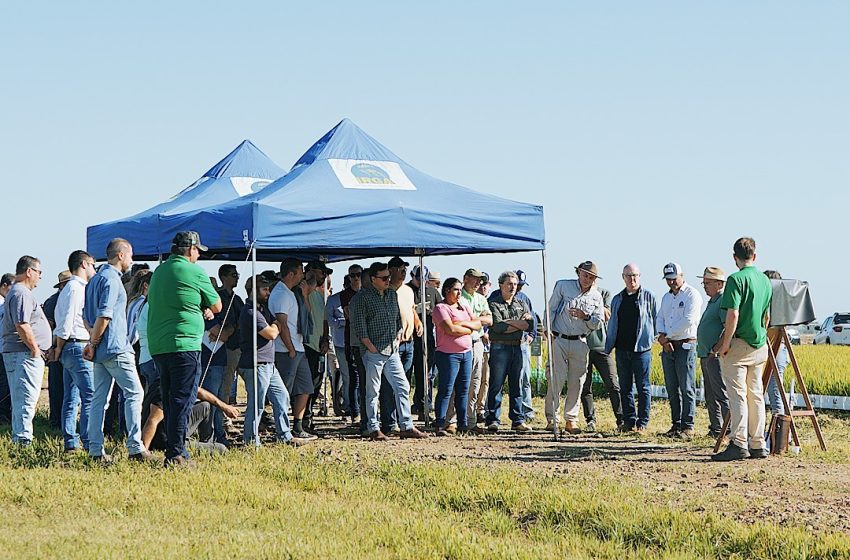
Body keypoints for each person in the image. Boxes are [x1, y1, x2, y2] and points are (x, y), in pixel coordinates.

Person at [147, 232, 222, 467]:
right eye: (198, 250)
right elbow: (217, 305)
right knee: (183, 400)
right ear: (190, 249)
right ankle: (177, 454)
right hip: (185, 344)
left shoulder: (159, 271)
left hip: (159, 345)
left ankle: (173, 447)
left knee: (169, 399)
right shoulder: (195, 271)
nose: (199, 255)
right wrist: (203, 307)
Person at [83, 239, 153, 462]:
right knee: (135, 393)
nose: (132, 259)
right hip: (115, 347)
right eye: (130, 254)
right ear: (121, 255)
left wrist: (93, 343)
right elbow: (105, 315)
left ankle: (95, 449)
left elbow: (87, 317)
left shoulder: (94, 280)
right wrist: (94, 343)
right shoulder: (112, 281)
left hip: (101, 349)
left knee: (99, 399)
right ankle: (135, 447)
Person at [350, 262, 427, 441]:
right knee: (372, 391)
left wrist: (398, 336)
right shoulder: (362, 298)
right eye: (384, 278)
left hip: (392, 351)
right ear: (373, 279)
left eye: (388, 277)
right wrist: (371, 347)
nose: (388, 280)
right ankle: (373, 427)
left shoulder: (392, 294)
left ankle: (406, 425)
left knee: (403, 386)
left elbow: (397, 320)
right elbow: (360, 327)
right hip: (374, 352)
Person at [711, 238, 772, 462]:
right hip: (759, 343)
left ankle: (739, 443)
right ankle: (758, 443)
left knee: (737, 395)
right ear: (754, 256)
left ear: (734, 257)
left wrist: (725, 343)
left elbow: (732, 314)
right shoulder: (765, 280)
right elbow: (767, 316)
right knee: (755, 394)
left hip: (738, 343)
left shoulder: (735, 280)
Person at [239, 275, 315, 446]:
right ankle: (251, 440)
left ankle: (285, 435)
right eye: (264, 289)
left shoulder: (261, 309)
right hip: (256, 364)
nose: (268, 292)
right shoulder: (251, 312)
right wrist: (275, 326)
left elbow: (274, 324)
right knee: (256, 404)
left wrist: (274, 325)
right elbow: (272, 333)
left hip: (268, 363)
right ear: (253, 291)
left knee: (282, 396)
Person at [545, 261, 605, 434]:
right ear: (578, 273)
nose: (588, 279)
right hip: (560, 338)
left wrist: (585, 317)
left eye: (591, 277)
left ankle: (571, 420)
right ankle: (552, 419)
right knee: (555, 379)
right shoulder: (563, 286)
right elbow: (551, 308)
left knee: (577, 382)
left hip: (581, 341)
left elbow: (598, 322)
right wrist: (547, 330)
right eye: (585, 275)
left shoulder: (596, 296)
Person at [0, 256, 52, 445]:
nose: (39, 277)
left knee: (22, 398)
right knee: (26, 400)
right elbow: (22, 324)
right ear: (29, 271)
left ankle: (20, 438)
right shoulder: (21, 293)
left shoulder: (17, 292)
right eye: (39, 272)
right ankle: (23, 442)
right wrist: (35, 348)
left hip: (19, 353)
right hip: (24, 353)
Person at [51, 250, 96, 452]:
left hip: (70, 346)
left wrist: (60, 347)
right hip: (76, 344)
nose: (94, 269)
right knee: (90, 397)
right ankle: (87, 442)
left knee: (71, 397)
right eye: (93, 265)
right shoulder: (77, 289)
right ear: (84, 264)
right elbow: (67, 321)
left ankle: (71, 441)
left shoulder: (68, 289)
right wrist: (59, 347)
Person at [605, 264, 657, 433]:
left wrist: (651, 339)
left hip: (641, 349)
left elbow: (656, 321)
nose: (632, 279)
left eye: (634, 275)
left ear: (640, 276)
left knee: (643, 387)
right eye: (628, 276)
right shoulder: (617, 299)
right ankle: (628, 421)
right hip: (621, 349)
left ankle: (642, 422)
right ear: (623, 277)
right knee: (625, 386)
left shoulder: (648, 297)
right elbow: (613, 323)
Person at [656, 262, 704, 440]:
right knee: (671, 386)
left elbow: (689, 320)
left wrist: (666, 336)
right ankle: (676, 424)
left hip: (685, 344)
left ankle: (688, 425)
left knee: (686, 386)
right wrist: (662, 337)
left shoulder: (692, 295)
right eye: (668, 279)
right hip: (668, 344)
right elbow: (660, 317)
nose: (671, 283)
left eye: (674, 279)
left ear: (682, 275)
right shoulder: (667, 298)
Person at [269, 258, 314, 439]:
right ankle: (280, 428)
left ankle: (297, 425)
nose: (303, 275)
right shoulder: (280, 294)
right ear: (291, 274)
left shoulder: (291, 292)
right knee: (283, 391)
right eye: (300, 271)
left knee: (305, 387)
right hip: (287, 350)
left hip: (298, 347)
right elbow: (282, 323)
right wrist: (290, 348)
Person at [485, 271, 534, 433]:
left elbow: (530, 325)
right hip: (500, 347)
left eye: (515, 284)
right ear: (501, 285)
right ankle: (493, 419)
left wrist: (511, 324)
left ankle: (517, 420)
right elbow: (498, 327)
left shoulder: (521, 303)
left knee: (517, 385)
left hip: (517, 347)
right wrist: (520, 323)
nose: (513, 287)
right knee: (496, 384)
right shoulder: (493, 303)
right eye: (509, 284)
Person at [432, 277, 480, 436]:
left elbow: (477, 324)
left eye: (460, 290)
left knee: (463, 390)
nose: (459, 293)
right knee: (446, 389)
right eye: (456, 289)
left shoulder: (464, 306)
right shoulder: (440, 308)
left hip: (466, 353)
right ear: (447, 290)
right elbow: (449, 329)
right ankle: (440, 423)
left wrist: (462, 326)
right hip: (447, 354)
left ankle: (463, 424)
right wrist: (468, 328)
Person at [446, 268, 492, 433]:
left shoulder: (481, 298)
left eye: (480, 279)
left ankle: (470, 420)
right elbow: (455, 322)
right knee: (456, 382)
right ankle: (451, 420)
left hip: (477, 343)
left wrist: (473, 320)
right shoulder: (457, 297)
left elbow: (489, 319)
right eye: (475, 279)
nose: (478, 282)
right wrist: (476, 321)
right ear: (466, 279)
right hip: (459, 342)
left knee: (474, 383)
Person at [379, 256, 421, 434]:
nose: (403, 271)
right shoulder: (385, 291)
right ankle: (389, 423)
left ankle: (404, 421)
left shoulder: (408, 290)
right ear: (391, 270)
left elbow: (411, 309)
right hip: (390, 345)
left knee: (404, 384)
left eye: (405, 268)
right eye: (400, 268)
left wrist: (417, 322)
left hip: (409, 343)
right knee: (389, 385)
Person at [579, 285, 623, 432]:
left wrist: (594, 302)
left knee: (612, 383)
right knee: (585, 385)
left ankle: (621, 418)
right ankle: (590, 419)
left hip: (602, 345)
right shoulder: (575, 294)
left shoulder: (603, 293)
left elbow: (606, 315)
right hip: (581, 344)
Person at [696, 267, 730, 438]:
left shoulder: (723, 300)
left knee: (721, 394)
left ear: (719, 284)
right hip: (706, 355)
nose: (704, 286)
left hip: (714, 356)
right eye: (704, 283)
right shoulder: (713, 301)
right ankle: (716, 428)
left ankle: (727, 429)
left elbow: (727, 328)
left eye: (707, 283)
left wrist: (715, 349)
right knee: (711, 395)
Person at [408, 264, 442, 421]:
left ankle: (423, 408)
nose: (421, 281)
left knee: (424, 376)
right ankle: (402, 409)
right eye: (417, 278)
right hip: (408, 340)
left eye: (424, 279)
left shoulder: (433, 292)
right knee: (405, 375)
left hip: (427, 340)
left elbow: (441, 310)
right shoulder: (405, 290)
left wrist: (430, 312)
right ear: (412, 276)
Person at [303, 261, 331, 431]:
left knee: (316, 384)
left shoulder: (321, 296)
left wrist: (326, 339)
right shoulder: (302, 291)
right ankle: (304, 418)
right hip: (305, 345)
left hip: (318, 346)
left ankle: (309, 417)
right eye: (322, 273)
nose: (324, 277)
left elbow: (325, 320)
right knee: (305, 386)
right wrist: (311, 278)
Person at [43, 270, 71, 428]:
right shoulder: (56, 301)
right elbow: (49, 327)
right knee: (60, 387)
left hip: (56, 347)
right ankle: (57, 421)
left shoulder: (52, 300)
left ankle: (56, 421)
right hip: (57, 347)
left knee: (57, 387)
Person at [216, 264, 244, 411]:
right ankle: (223, 419)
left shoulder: (236, 298)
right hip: (226, 347)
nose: (237, 278)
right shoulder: (218, 298)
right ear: (223, 277)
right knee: (226, 384)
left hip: (239, 346)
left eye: (237, 275)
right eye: (233, 275)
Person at [340, 264, 363, 427]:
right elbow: (350, 316)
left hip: (368, 343)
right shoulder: (346, 295)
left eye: (359, 274)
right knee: (354, 379)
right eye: (352, 275)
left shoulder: (367, 293)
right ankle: (355, 413)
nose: (356, 277)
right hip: (352, 341)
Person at [513, 270, 537, 421]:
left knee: (525, 378)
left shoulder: (524, 298)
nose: (519, 288)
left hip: (522, 344)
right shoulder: (497, 296)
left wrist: (532, 335)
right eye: (517, 285)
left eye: (521, 285)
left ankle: (527, 410)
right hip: (504, 343)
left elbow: (532, 318)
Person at [326, 276, 351, 417]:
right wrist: (344, 322)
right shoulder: (334, 300)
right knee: (345, 375)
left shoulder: (361, 298)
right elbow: (330, 320)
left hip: (359, 343)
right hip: (340, 343)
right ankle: (346, 406)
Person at [475, 272, 492, 425]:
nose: (482, 287)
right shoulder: (471, 301)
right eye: (480, 284)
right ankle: (472, 408)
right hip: (476, 343)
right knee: (475, 378)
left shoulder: (490, 301)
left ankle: (480, 409)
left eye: (485, 284)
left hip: (489, 347)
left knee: (485, 380)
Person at [0, 272, 14, 423]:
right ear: (4, 286)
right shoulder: (2, 305)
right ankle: (3, 415)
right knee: (4, 383)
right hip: (2, 348)